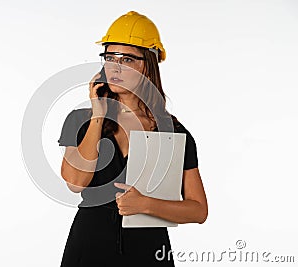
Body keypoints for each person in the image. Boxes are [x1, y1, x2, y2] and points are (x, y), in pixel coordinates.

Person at [57, 11, 208, 267]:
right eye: (109, 57)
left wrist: (145, 204)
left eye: (127, 59)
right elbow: (74, 182)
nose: (115, 66)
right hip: (90, 243)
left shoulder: (173, 131)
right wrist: (98, 115)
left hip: (148, 249)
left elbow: (198, 210)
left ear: (147, 64)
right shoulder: (81, 119)